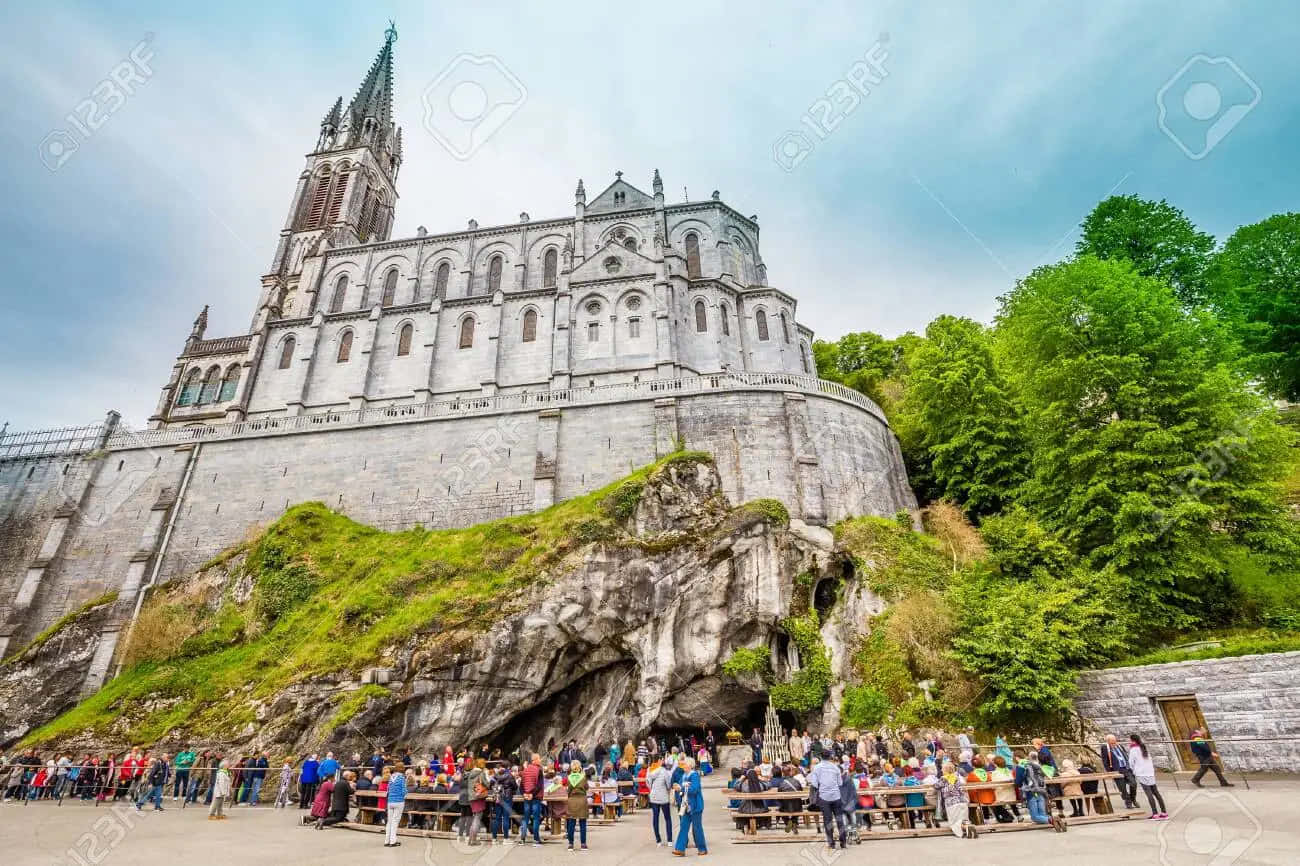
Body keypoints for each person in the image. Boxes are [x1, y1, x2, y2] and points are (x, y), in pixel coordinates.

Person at [808, 750, 846, 850]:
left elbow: (814, 784)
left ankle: (831, 843)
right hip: (836, 796)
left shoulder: (817, 768)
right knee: (839, 819)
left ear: (821, 757)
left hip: (824, 797)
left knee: (827, 820)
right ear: (830, 757)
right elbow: (840, 783)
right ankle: (843, 842)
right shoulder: (835, 767)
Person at [671, 756, 707, 856]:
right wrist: (676, 786)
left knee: (697, 827)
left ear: (690, 765)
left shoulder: (694, 775)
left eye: (685, 764)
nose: (683, 766)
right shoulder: (684, 776)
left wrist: (681, 788)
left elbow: (694, 789)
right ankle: (680, 849)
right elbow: (681, 787)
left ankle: (702, 848)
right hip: (686, 805)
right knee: (683, 826)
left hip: (695, 805)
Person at [1128, 734, 1168, 819]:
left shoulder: (1133, 750)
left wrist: (1133, 770)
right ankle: (1164, 812)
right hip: (1150, 772)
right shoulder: (1143, 747)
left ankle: (1155, 813)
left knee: (1148, 793)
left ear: (1132, 740)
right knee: (1156, 793)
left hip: (1141, 773)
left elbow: (1131, 763)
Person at [934, 761, 976, 838]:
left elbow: (936, 786)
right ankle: (968, 826)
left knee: (955, 821)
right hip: (962, 801)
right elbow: (960, 789)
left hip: (951, 803)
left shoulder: (943, 779)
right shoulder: (956, 777)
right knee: (963, 819)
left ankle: (965, 828)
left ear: (945, 770)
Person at [1099, 733, 1138, 809]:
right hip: (1117, 770)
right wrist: (1110, 772)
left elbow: (1126, 756)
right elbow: (1105, 761)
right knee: (1122, 788)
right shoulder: (1105, 748)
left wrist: (1130, 766)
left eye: (1115, 741)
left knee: (1134, 784)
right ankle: (1128, 802)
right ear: (1108, 742)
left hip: (1126, 769)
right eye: (1112, 743)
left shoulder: (1120, 746)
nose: (1114, 744)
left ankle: (1133, 799)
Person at [517, 753, 545, 846]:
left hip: (527, 797)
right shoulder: (539, 770)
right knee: (536, 818)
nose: (540, 760)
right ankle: (536, 839)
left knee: (526, 818)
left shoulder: (525, 770)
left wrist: (525, 794)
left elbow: (521, 785)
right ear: (535, 760)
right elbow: (539, 785)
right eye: (539, 759)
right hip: (535, 797)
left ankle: (522, 839)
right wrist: (532, 794)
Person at [564, 760, 590, 851]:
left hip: (572, 800)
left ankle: (571, 844)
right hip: (582, 800)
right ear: (580, 767)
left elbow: (568, 790)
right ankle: (583, 844)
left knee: (571, 823)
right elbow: (587, 788)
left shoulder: (569, 778)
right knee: (582, 823)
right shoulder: (583, 777)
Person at [384, 763, 407, 847]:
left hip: (390, 801)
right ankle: (393, 841)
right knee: (395, 821)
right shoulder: (402, 778)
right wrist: (405, 793)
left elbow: (388, 789)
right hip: (399, 801)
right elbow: (404, 790)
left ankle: (387, 840)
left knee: (389, 821)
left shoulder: (391, 777)